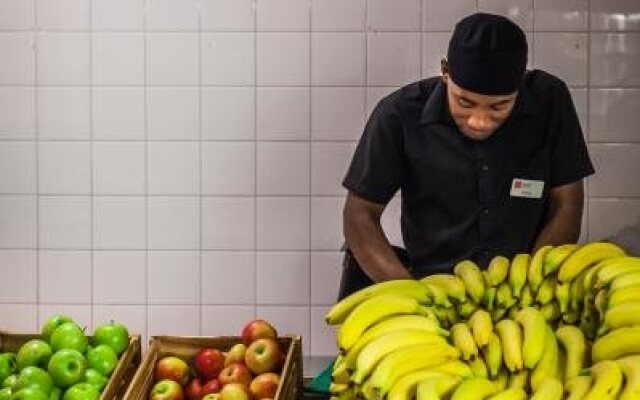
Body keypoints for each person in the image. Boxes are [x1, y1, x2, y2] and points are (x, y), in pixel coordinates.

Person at [338, 13, 594, 298]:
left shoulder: (550, 102)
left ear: (520, 86)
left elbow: (567, 202)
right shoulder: (399, 115)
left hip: (524, 291)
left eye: (498, 107)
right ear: (445, 73)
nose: (479, 121)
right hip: (432, 286)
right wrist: (410, 294)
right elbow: (359, 214)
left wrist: (532, 283)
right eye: (465, 102)